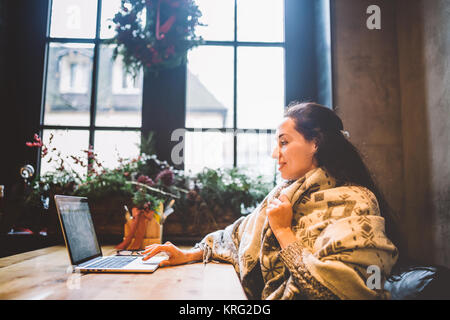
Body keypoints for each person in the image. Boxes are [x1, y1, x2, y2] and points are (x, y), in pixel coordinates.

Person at [143, 102, 401, 300]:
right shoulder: (283, 196)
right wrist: (188, 255)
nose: (274, 153)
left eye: (284, 142)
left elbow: (340, 291)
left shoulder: (357, 202)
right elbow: (235, 237)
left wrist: (283, 231)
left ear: (316, 144)